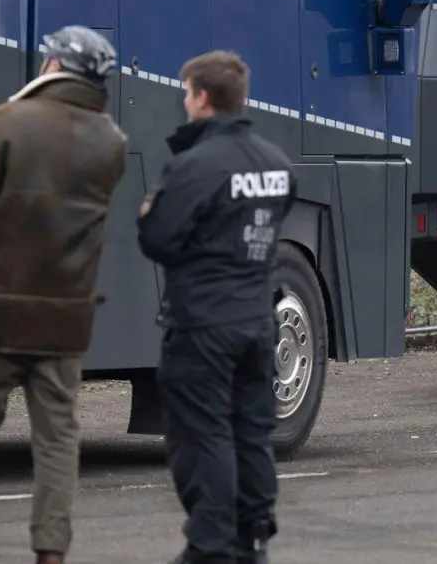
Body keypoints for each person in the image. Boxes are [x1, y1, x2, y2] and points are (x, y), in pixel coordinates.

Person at [0, 26, 130, 564]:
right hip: (64, 318)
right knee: (58, 437)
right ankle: (51, 554)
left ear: (56, 67)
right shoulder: (111, 144)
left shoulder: (4, 124)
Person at [137, 50, 297, 564]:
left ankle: (209, 548)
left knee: (202, 436)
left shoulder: (195, 165)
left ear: (203, 98)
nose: (184, 103)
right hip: (255, 321)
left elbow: (159, 238)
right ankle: (252, 538)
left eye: (186, 93)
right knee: (252, 431)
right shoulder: (275, 163)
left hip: (203, 325)